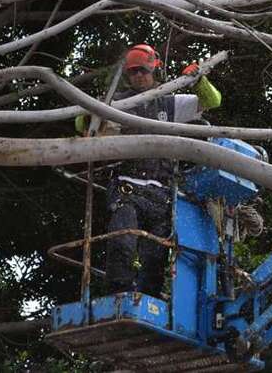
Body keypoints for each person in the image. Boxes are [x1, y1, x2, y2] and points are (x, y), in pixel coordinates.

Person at [75, 44, 222, 296]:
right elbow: (83, 125)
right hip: (127, 188)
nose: (139, 76)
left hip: (160, 193)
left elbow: (212, 101)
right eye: (133, 71)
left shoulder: (169, 103)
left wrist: (199, 80)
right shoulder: (119, 103)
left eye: (143, 70)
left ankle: (149, 301)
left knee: (155, 256)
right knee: (122, 241)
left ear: (154, 69)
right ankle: (118, 296)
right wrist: (93, 111)